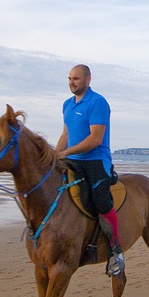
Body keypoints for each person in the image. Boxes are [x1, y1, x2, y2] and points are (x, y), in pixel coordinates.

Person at [57, 64, 124, 277]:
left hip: (96, 159)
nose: (72, 82)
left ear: (88, 80)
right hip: (72, 158)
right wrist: (54, 156)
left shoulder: (97, 102)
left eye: (76, 78)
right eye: (69, 78)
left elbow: (95, 139)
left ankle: (115, 250)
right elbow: (66, 134)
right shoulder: (67, 104)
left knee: (101, 201)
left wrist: (66, 153)